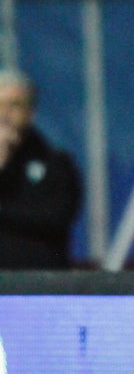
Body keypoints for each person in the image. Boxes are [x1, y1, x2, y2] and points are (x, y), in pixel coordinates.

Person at [0, 69, 82, 269]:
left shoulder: (57, 164)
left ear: (30, 113)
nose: (4, 113)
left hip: (40, 280)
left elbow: (56, 217)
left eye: (14, 105)